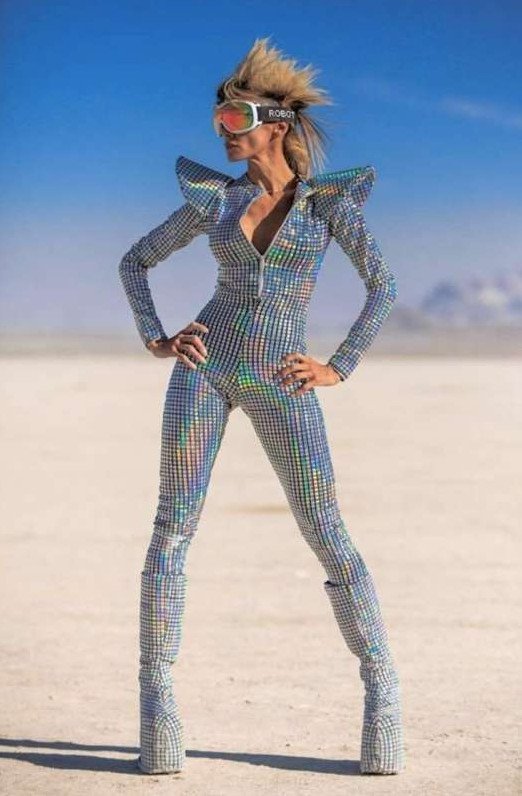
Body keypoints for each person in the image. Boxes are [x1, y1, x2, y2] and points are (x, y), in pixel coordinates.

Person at [118, 36, 405, 777]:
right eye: (218, 119)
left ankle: (382, 695)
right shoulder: (216, 200)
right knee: (171, 529)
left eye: (235, 118)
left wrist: (338, 365)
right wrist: (158, 337)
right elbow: (136, 261)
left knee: (326, 530)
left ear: (275, 124)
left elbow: (383, 287)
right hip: (204, 370)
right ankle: (157, 710)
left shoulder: (327, 205)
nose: (223, 132)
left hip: (284, 379)